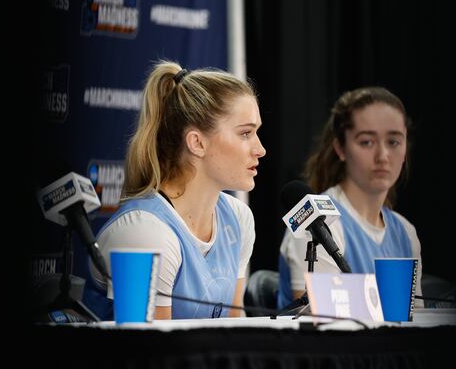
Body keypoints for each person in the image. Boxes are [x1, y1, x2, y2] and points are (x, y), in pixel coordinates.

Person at [84, 60, 266, 320]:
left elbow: (234, 332)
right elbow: (153, 355)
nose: (260, 149)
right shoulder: (144, 233)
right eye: (246, 133)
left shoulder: (238, 218)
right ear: (197, 143)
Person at [277, 86, 423, 310]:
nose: (383, 156)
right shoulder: (317, 222)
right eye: (367, 142)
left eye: (393, 142)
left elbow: (414, 321)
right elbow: (320, 319)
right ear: (340, 148)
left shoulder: (406, 232)